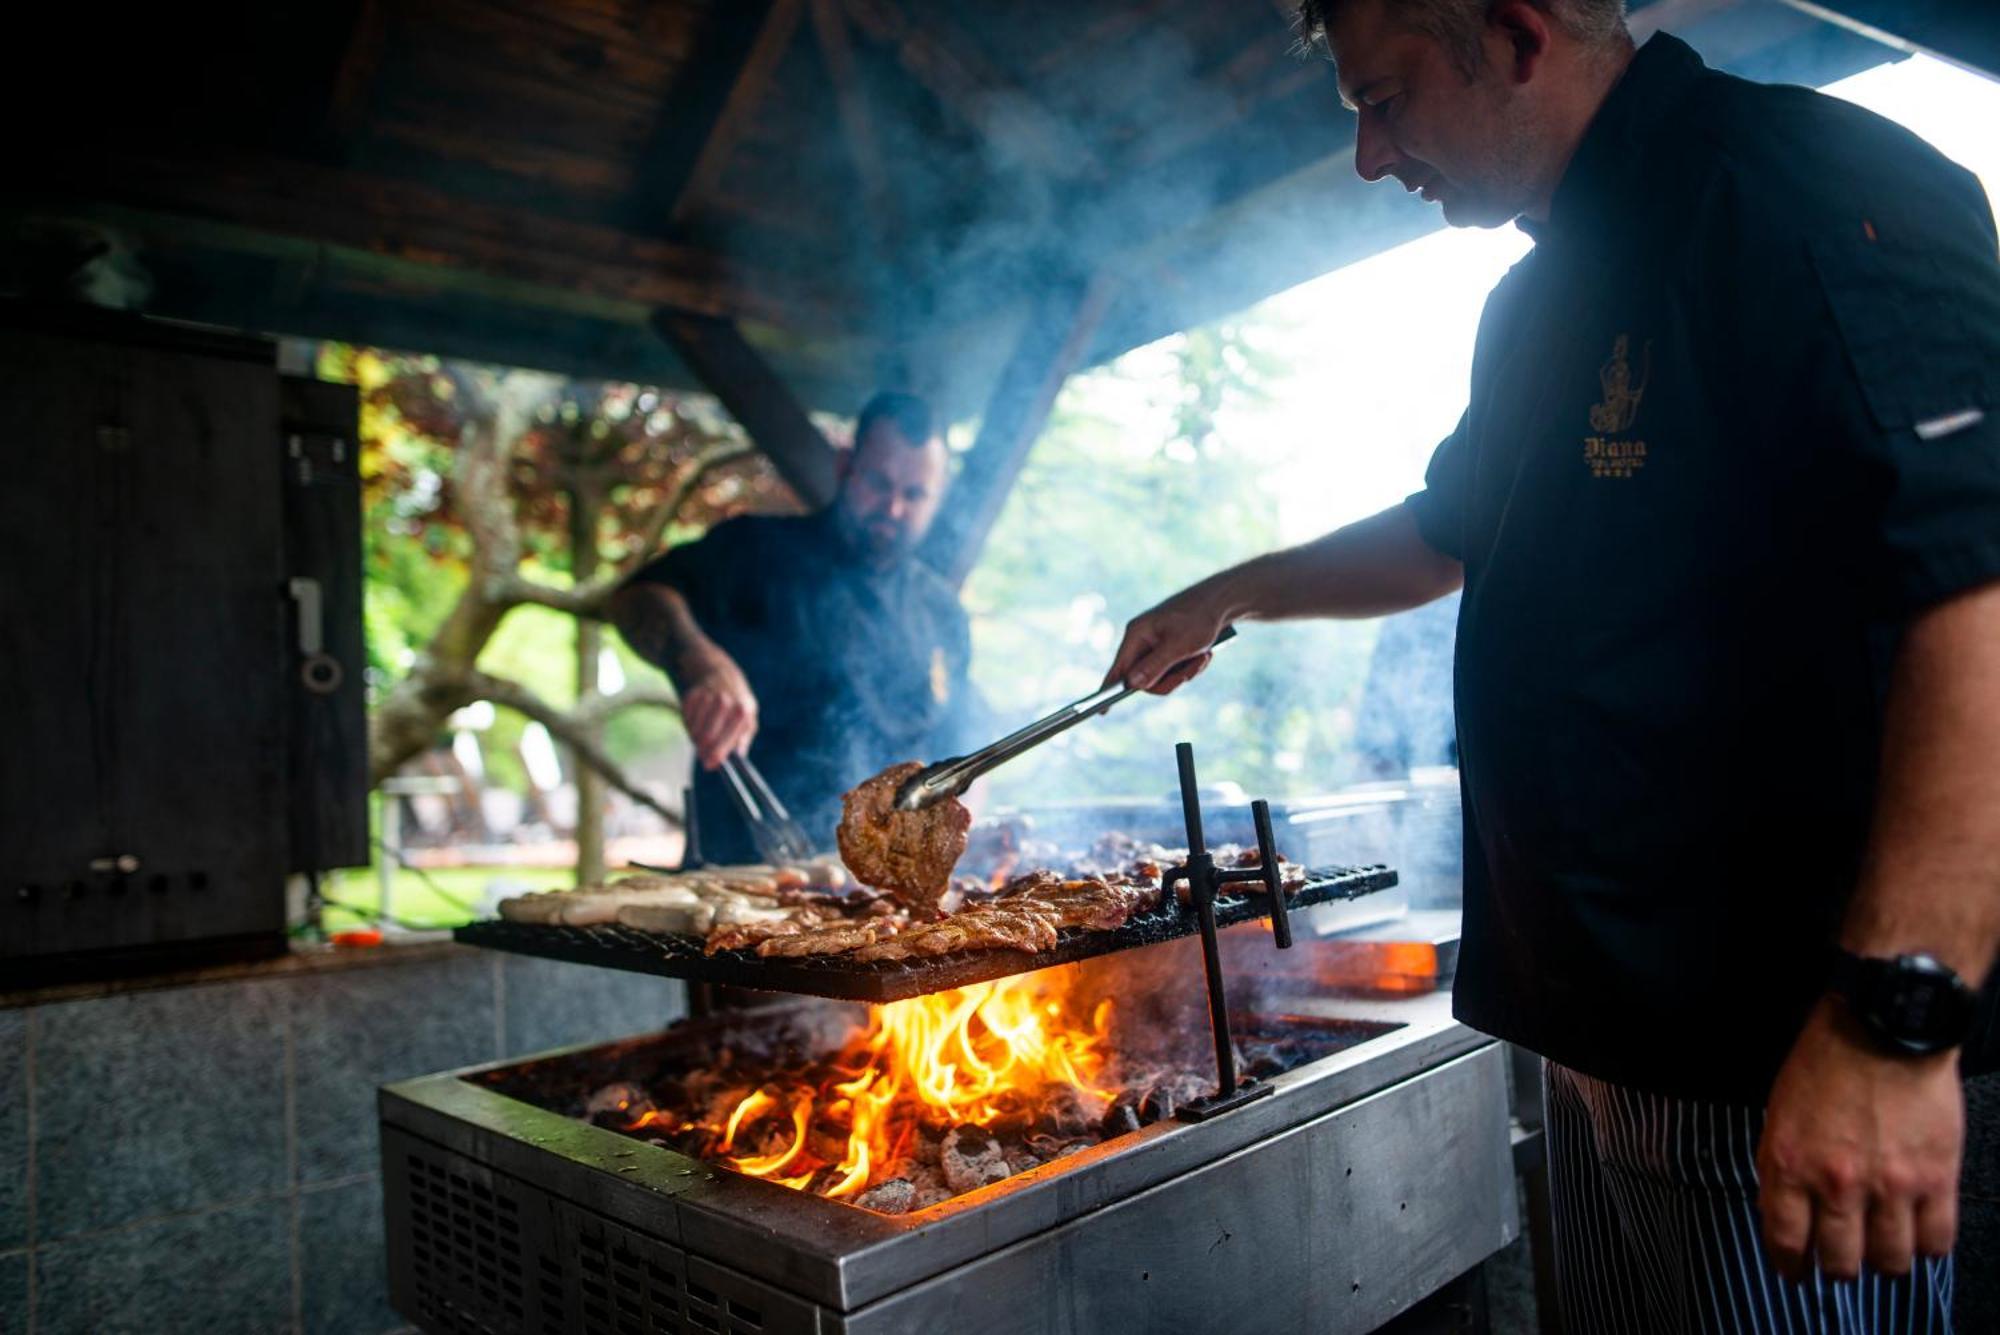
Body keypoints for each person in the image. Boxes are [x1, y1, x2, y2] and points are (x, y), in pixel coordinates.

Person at [1104, 1, 2000, 1328]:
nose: (1366, 154)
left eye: (1387, 96)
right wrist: (1232, 590)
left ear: (1519, 33)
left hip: (1774, 1054)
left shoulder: (1804, 186)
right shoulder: (1538, 296)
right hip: (1597, 1036)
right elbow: (1443, 530)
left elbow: (1978, 582)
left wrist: (1892, 1021)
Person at [612, 392, 984, 864]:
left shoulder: (942, 612)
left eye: (913, 495)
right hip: (744, 875)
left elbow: (959, 758)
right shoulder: (756, 551)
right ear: (846, 466)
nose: (892, 509)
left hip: (888, 894)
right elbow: (637, 597)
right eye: (878, 483)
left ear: (939, 496)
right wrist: (700, 662)